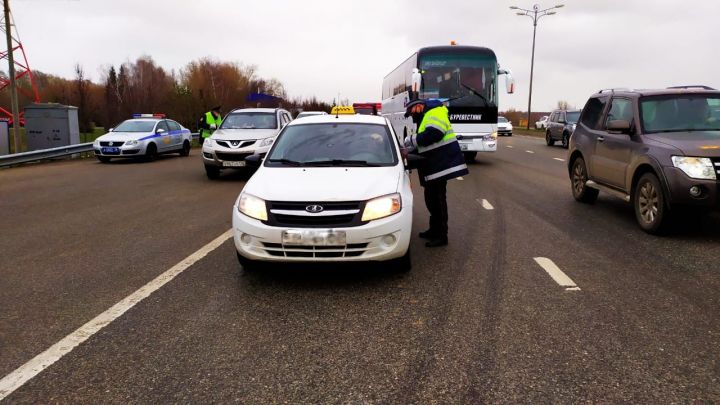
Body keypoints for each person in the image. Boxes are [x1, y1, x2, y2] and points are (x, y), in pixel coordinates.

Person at [404, 99, 469, 247]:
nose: (412, 116)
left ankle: (441, 235)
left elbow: (434, 134)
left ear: (417, 106)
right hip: (433, 166)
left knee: (438, 201)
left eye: (412, 113)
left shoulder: (435, 111)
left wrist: (411, 140)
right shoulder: (427, 114)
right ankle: (433, 230)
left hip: (441, 165)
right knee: (431, 199)